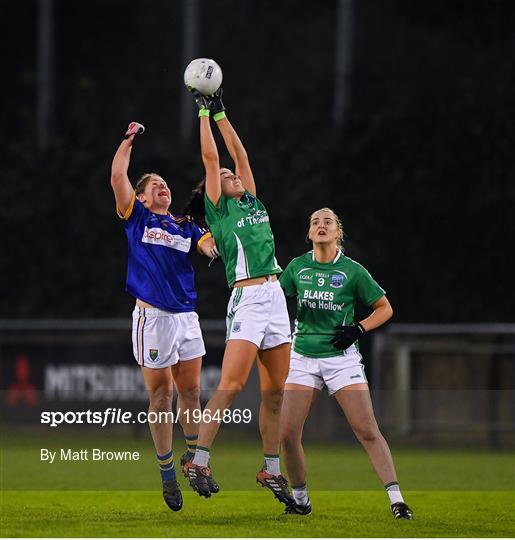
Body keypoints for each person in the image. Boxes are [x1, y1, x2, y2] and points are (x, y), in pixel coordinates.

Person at [182, 89, 294, 508]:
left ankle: (271, 468)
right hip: (247, 298)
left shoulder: (253, 200)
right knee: (231, 384)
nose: (232, 174)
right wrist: (204, 112)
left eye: (235, 175)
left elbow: (238, 153)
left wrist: (224, 111)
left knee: (277, 391)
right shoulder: (219, 212)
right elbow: (213, 159)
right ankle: (200, 459)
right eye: (226, 177)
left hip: (275, 297)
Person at [110, 122, 219, 512]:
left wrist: (214, 247)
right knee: (162, 395)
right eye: (154, 184)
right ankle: (168, 473)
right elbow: (117, 175)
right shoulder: (137, 217)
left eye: (165, 184)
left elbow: (207, 244)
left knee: (191, 392)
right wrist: (128, 141)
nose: (163, 187)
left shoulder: (184, 224)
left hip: (186, 318)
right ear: (140, 196)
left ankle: (194, 461)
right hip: (152, 318)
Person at [279, 208, 414, 520]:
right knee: (287, 433)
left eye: (328, 221)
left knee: (366, 429)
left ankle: (397, 500)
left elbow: (384, 308)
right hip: (303, 356)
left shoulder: (353, 271)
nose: (321, 225)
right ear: (309, 233)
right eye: (315, 222)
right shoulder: (297, 267)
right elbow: (274, 299)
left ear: (337, 232)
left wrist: (359, 328)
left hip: (342, 359)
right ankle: (300, 500)